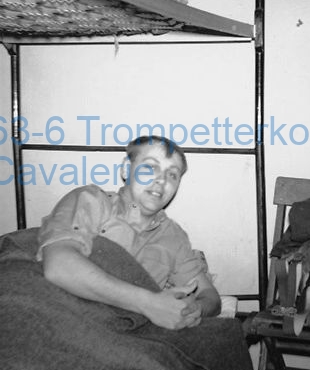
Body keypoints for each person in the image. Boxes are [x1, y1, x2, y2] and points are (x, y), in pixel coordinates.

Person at [37, 135, 221, 330]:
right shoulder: (92, 201)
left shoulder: (174, 237)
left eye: (172, 175)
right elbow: (59, 266)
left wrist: (195, 309)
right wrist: (149, 304)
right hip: (69, 316)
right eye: (150, 167)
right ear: (126, 169)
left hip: (125, 332)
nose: (161, 180)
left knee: (226, 333)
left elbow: (210, 297)